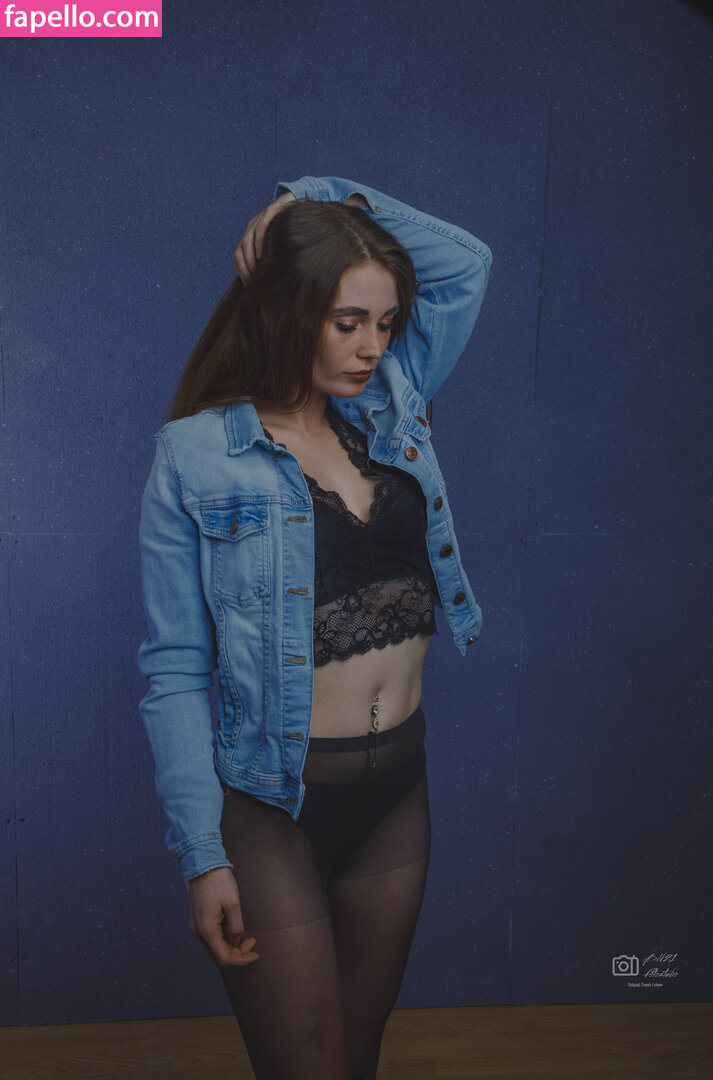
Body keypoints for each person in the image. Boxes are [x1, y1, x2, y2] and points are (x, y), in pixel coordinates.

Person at [136, 175, 492, 1079]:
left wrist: (326, 195)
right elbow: (174, 669)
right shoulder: (197, 456)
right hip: (272, 809)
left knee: (358, 1058)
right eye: (347, 322)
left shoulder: (393, 406)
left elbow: (467, 264)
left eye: (386, 323)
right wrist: (202, 855)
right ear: (286, 309)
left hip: (397, 796)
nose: (374, 347)